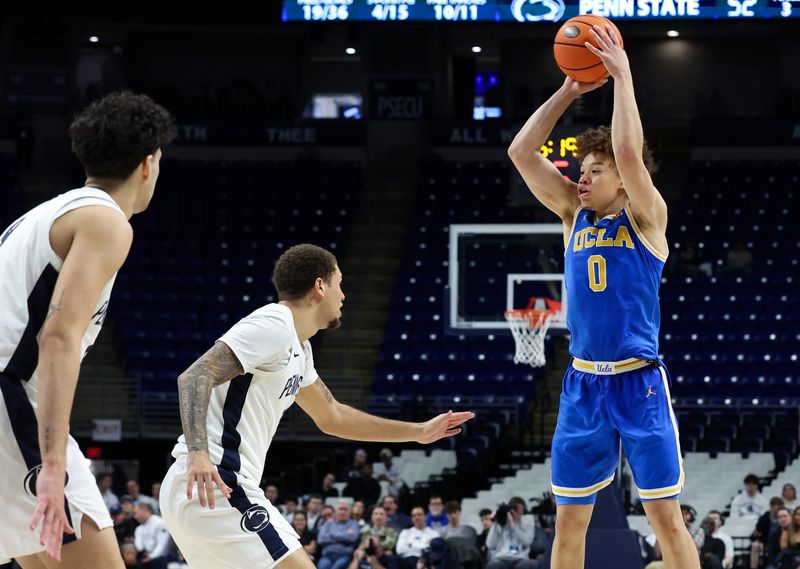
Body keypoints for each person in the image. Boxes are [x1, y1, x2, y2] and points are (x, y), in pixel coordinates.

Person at [508, 23, 698, 569]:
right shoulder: (573, 215)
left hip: (639, 381)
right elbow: (522, 151)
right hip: (582, 383)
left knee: (665, 518)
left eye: (595, 171)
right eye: (579, 170)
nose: (581, 178)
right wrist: (569, 90)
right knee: (570, 522)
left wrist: (622, 77)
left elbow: (628, 152)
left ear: (622, 180)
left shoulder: (647, 218)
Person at [159, 243, 474, 569]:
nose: (344, 296)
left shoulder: (299, 347)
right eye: (340, 283)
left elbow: (332, 416)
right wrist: (198, 452)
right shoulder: (274, 323)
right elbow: (194, 376)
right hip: (217, 482)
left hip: (205, 490)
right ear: (320, 286)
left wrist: (418, 432)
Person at [0, 92, 172, 567]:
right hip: (12, 400)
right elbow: (59, 337)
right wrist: (53, 467)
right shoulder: (106, 221)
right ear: (147, 164)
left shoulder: (48, 214)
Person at [485, 497, 537, 569]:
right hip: (502, 558)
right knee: (494, 565)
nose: (516, 511)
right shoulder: (501, 525)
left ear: (523, 510)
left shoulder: (528, 526)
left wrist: (513, 525)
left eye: (519, 508)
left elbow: (527, 542)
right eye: (515, 509)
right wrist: (495, 522)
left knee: (530, 564)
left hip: (520, 558)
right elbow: (490, 545)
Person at [317, 501, 361, 569]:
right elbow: (321, 539)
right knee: (322, 566)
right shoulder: (328, 523)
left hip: (344, 555)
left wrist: (331, 534)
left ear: (350, 512)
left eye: (345, 509)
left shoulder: (354, 523)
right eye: (340, 509)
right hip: (327, 555)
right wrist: (344, 536)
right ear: (335, 512)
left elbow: (352, 538)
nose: (343, 512)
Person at [133, 503, 172, 569]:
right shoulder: (138, 529)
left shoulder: (160, 523)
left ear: (144, 510)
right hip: (145, 559)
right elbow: (139, 546)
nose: (135, 517)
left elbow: (162, 544)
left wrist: (151, 557)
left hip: (161, 560)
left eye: (136, 513)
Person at [752, 498, 785, 569]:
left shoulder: (785, 516)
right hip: (766, 541)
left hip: (782, 540)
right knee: (755, 545)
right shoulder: (765, 516)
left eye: (777, 506)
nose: (775, 508)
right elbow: (757, 531)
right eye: (772, 505)